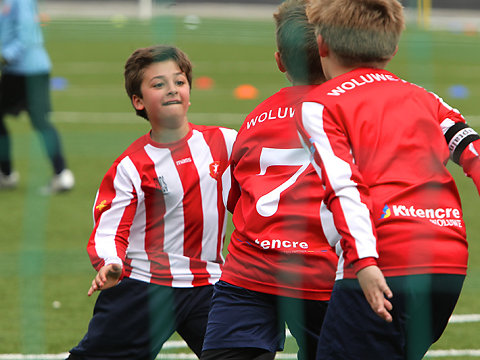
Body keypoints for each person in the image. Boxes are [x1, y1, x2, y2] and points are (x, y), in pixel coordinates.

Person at [295, 0, 480, 359]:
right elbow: (473, 153)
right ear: (393, 49)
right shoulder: (424, 98)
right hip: (447, 260)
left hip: (384, 259)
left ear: (321, 45)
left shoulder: (321, 104)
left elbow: (343, 186)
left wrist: (363, 261)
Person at [66, 45, 237, 360]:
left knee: (247, 351)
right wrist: (110, 263)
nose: (172, 89)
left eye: (179, 81)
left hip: (211, 283)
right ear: (139, 101)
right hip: (145, 285)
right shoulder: (131, 165)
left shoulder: (225, 142)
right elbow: (109, 228)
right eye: (158, 84)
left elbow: (254, 193)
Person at [201, 1, 338, 359]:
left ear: (280, 61)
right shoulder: (355, 112)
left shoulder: (255, 119)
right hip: (326, 275)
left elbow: (237, 199)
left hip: (250, 272)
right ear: (335, 50)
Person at [0, 0, 74, 193]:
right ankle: (61, 174)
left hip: (25, 70)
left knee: (41, 122)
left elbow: (26, 35)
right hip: (22, 69)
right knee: (41, 122)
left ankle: (7, 174)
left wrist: (4, 56)